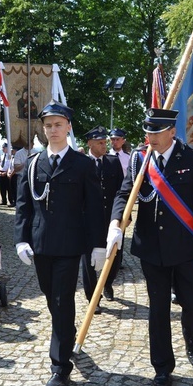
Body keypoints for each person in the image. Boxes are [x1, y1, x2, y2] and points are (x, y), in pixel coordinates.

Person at [108, 107, 193, 386]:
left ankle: (191, 337)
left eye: (157, 132)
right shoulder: (139, 160)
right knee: (158, 310)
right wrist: (115, 223)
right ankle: (162, 367)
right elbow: (125, 193)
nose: (152, 137)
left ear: (172, 131)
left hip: (185, 248)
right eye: (148, 132)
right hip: (151, 249)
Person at [14, 100, 104, 386]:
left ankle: (60, 367)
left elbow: (93, 209)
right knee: (52, 299)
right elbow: (24, 205)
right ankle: (66, 335)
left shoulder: (83, 164)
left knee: (63, 300)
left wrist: (97, 246)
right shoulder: (33, 163)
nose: (53, 130)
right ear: (43, 129)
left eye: (58, 125)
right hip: (40, 244)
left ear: (68, 127)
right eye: (48, 125)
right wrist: (21, 239)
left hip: (69, 244)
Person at [80, 126, 123, 313]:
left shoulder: (113, 162)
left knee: (115, 257)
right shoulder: (81, 163)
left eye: (105, 142)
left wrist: (123, 217)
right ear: (89, 143)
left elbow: (122, 191)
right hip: (87, 221)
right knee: (88, 261)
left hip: (110, 219)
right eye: (99, 142)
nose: (104, 145)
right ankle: (93, 298)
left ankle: (107, 283)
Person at [0, 142, 12, 206]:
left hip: (7, 173)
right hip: (1, 172)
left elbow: (10, 166)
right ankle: (4, 200)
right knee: (2, 188)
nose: (3, 149)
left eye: (4, 148)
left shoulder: (10, 156)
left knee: (9, 188)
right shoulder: (2, 156)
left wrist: (6, 173)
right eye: (2, 148)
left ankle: (11, 200)